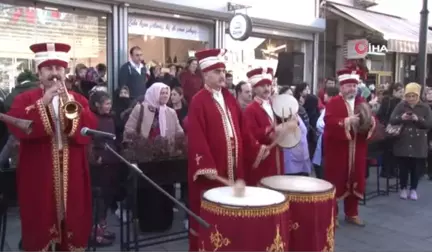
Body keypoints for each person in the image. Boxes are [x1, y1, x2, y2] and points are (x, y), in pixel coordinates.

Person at [7, 42, 97, 251]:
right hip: (39, 172)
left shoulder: (79, 99)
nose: (54, 73)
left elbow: (89, 126)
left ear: (66, 72)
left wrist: (69, 104)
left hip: (72, 170)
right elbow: (18, 125)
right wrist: (44, 103)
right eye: (49, 68)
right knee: (40, 219)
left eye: (59, 68)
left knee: (73, 218)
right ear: (39, 73)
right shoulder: (24, 99)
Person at [187, 49, 269, 252]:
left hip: (235, 166)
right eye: (217, 72)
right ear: (206, 74)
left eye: (223, 71)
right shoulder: (198, 101)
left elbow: (242, 130)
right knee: (211, 216)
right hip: (213, 169)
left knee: (233, 214)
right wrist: (206, 166)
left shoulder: (230, 99)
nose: (222, 75)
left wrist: (257, 147)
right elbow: (197, 138)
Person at [124, 82, 184, 232]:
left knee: (165, 190)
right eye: (161, 93)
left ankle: (165, 222)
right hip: (146, 158)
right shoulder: (141, 108)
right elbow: (129, 129)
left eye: (166, 93)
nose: (164, 96)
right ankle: (148, 224)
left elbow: (178, 131)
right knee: (148, 192)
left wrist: (178, 144)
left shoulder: (170, 112)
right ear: (154, 93)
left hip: (165, 158)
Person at [323, 68, 376, 227]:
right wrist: (346, 121)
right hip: (338, 150)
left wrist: (371, 122)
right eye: (348, 86)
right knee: (336, 180)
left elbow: (373, 121)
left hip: (358, 148)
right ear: (341, 87)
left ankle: (352, 213)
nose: (352, 89)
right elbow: (329, 122)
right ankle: (333, 215)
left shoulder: (362, 102)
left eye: (354, 85)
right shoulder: (333, 102)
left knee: (356, 179)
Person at [389, 82, 432, 200]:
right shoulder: (401, 105)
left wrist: (418, 119)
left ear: (418, 96)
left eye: (414, 96)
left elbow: (429, 124)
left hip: (418, 142)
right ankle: (403, 188)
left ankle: (413, 189)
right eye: (408, 96)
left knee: (416, 168)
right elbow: (392, 120)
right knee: (403, 167)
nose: (411, 99)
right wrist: (401, 118)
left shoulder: (425, 107)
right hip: (403, 140)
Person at [242, 67, 284, 185]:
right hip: (264, 156)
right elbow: (250, 134)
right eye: (262, 86)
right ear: (254, 89)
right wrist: (270, 130)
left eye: (268, 85)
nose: (267, 88)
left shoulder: (275, 104)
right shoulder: (250, 109)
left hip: (277, 152)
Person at [88, 91, 117, 247]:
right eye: (106, 103)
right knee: (98, 200)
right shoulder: (92, 119)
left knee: (106, 198)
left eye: (109, 103)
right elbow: (90, 141)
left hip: (110, 161)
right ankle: (95, 234)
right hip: (98, 164)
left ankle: (103, 228)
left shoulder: (110, 119)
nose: (109, 106)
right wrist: (94, 157)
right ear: (97, 104)